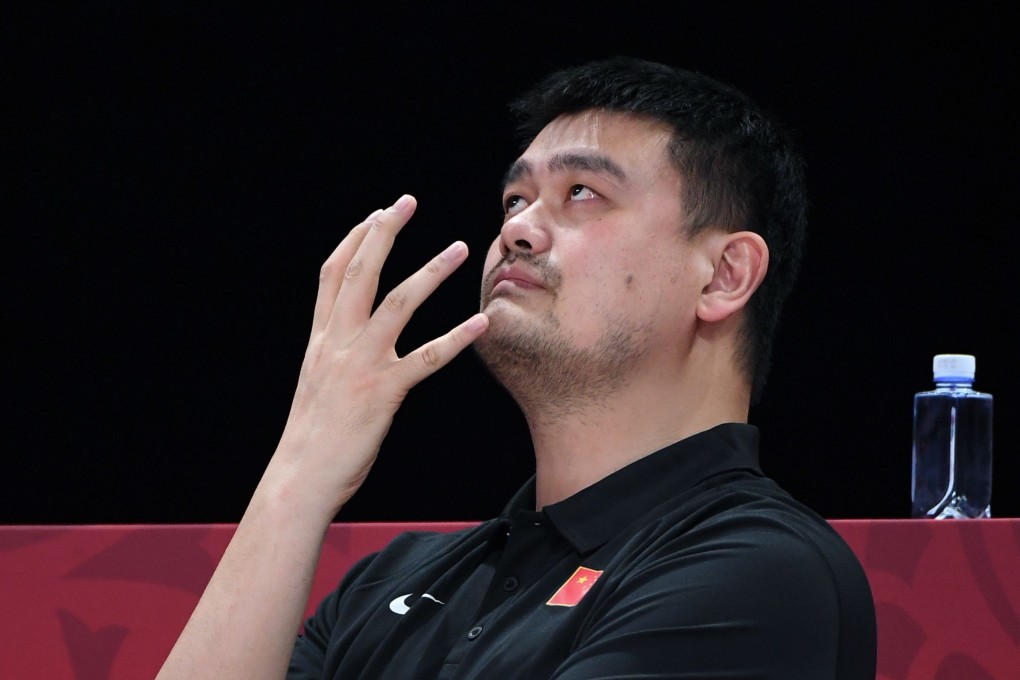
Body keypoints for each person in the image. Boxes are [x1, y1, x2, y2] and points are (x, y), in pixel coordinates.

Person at [158, 57, 876, 679]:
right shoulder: (385, 585)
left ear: (722, 276)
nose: (517, 228)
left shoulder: (759, 571)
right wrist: (300, 473)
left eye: (582, 194)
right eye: (515, 198)